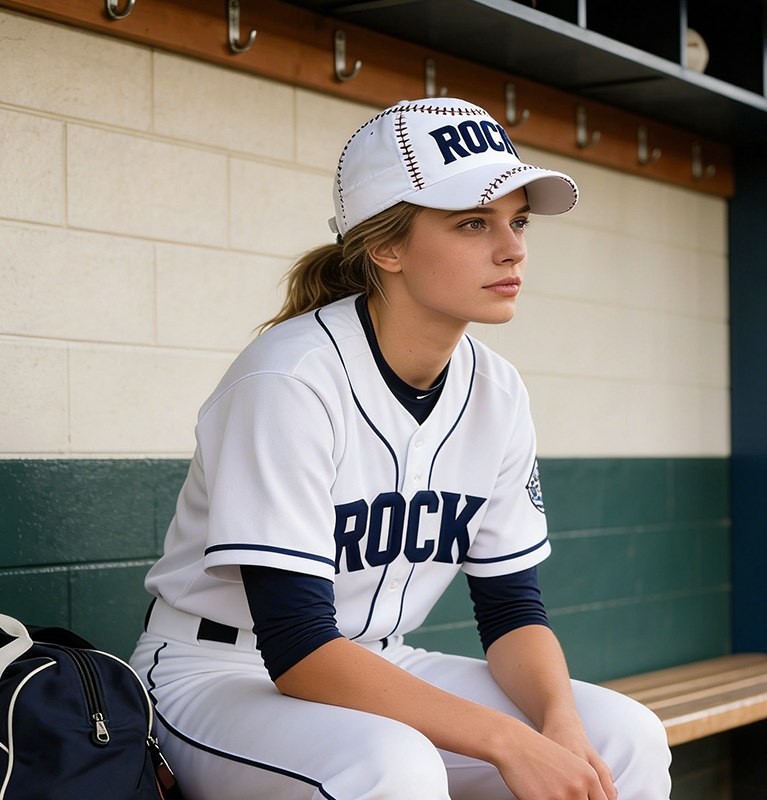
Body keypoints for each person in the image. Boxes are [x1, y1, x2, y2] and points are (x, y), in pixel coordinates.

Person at [130, 97, 672, 800]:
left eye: (518, 221)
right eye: (473, 223)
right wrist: (512, 741)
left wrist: (559, 722)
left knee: (621, 737)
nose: (512, 248)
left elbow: (511, 613)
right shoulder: (289, 379)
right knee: (390, 767)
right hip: (218, 675)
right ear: (386, 247)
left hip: (383, 663)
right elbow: (296, 648)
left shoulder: (497, 390)